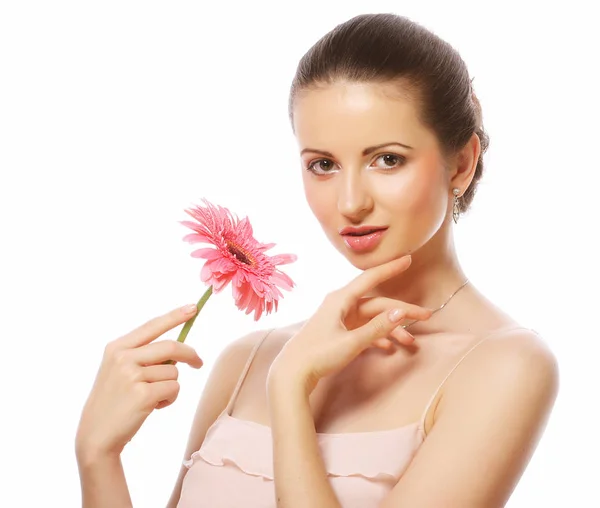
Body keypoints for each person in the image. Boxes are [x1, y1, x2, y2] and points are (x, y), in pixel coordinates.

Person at [75, 13, 559, 508]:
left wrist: (290, 392)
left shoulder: (504, 366)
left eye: (387, 159)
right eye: (323, 165)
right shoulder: (247, 360)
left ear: (461, 162)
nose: (350, 202)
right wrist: (98, 456)